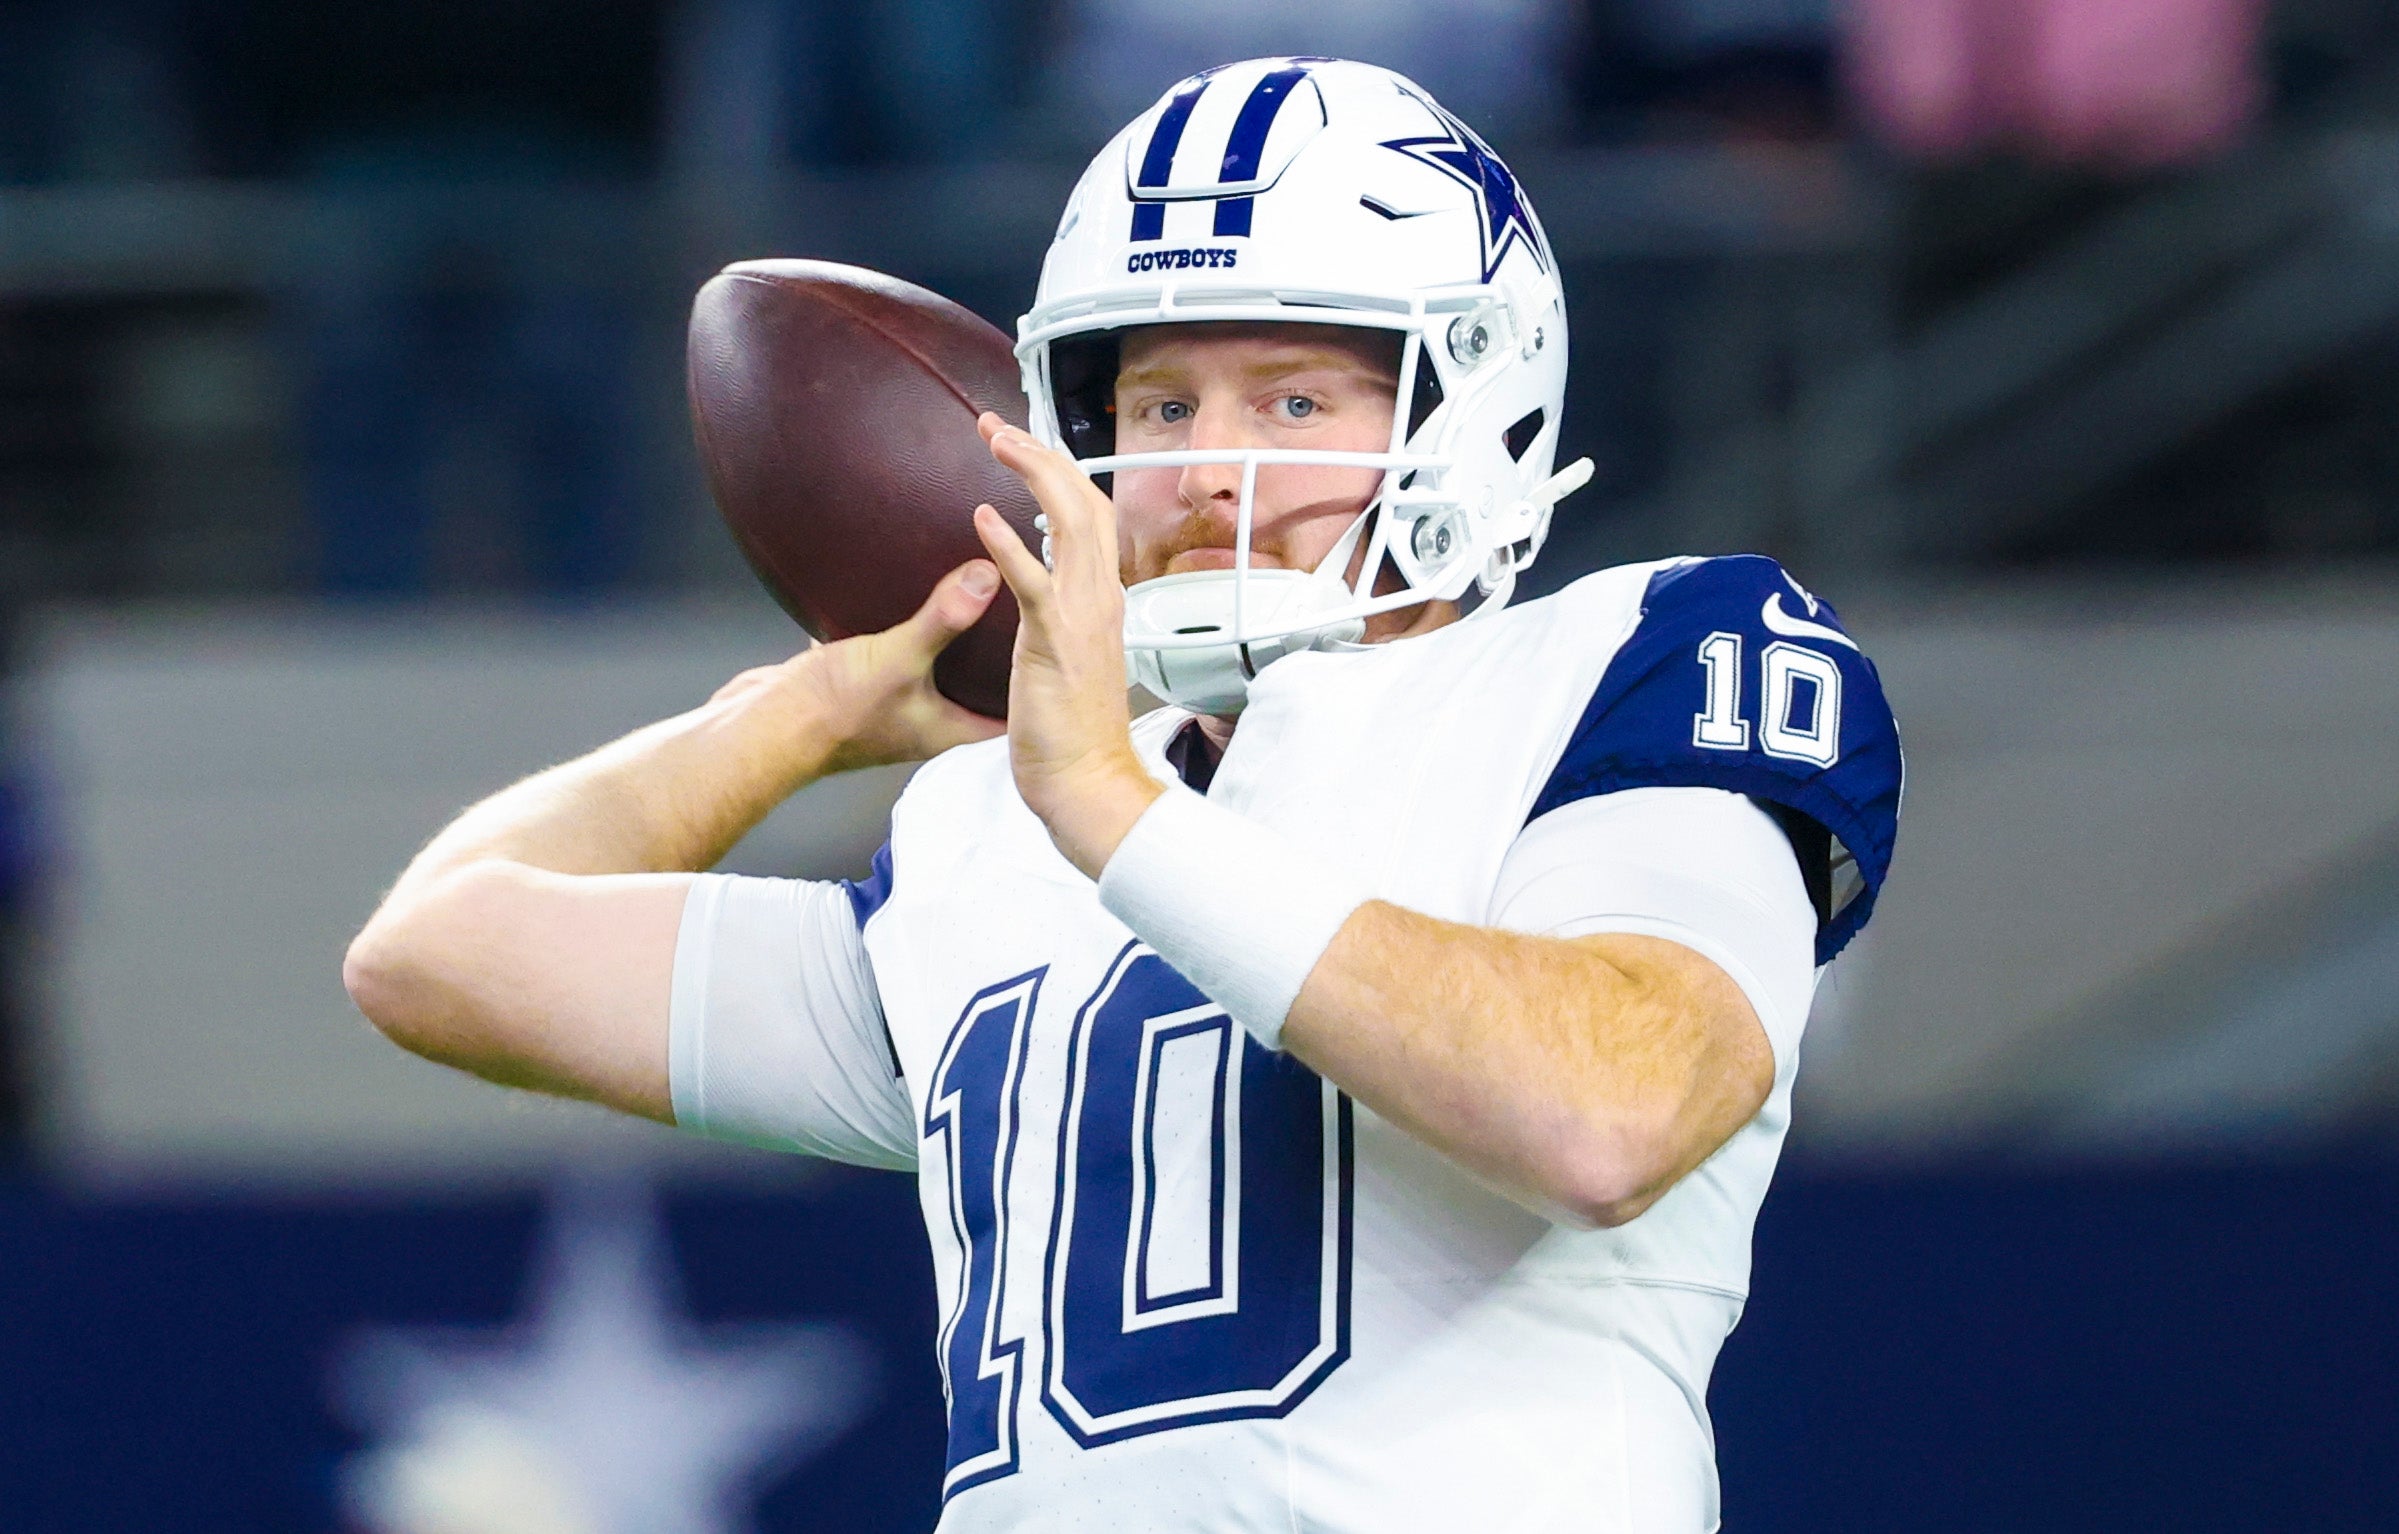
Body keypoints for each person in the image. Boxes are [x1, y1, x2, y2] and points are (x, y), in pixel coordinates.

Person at [345, 57, 1901, 1532]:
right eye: (1158, 408)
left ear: (1469, 411)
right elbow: (438, 953)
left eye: (1294, 403)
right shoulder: (982, 837)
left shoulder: (1633, 658)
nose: (1207, 470)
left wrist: (1117, 811)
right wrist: (797, 716)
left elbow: (1609, 1112)